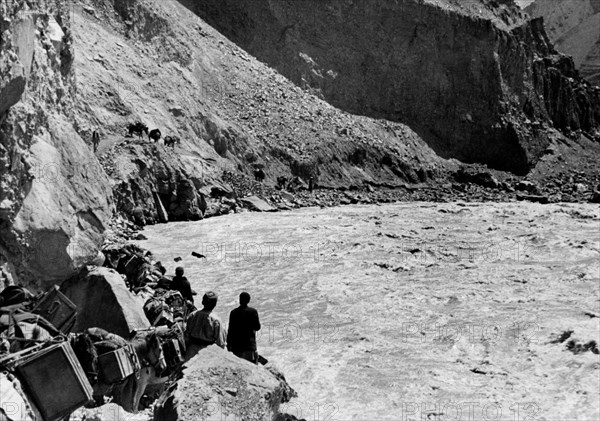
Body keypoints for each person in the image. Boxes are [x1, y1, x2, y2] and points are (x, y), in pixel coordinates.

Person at [184, 291, 226, 361]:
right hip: (207, 353)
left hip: (191, 351)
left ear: (202, 302)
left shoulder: (192, 315)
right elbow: (220, 343)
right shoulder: (216, 320)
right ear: (215, 304)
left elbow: (186, 336)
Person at [227, 292, 261, 364]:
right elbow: (257, 327)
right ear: (248, 301)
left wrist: (228, 346)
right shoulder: (253, 312)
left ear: (239, 300)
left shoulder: (233, 313)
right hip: (249, 346)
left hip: (236, 347)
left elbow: (230, 331)